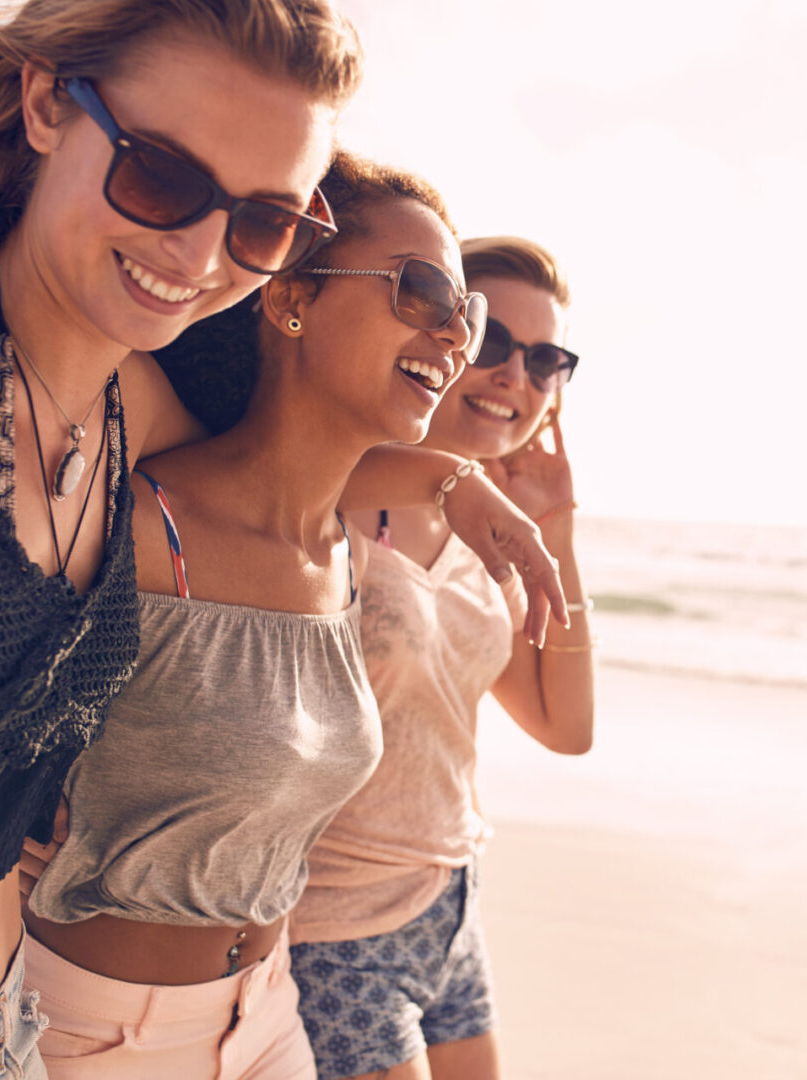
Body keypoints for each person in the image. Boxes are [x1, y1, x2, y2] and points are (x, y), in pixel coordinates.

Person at [0, 1, 359, 1075]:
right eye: (163, 178)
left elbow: (300, 450)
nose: (201, 252)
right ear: (45, 103)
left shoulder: (133, 397)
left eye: (263, 223)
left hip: (4, 1034)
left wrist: (486, 494)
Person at [18, 153, 565, 1080]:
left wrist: (459, 477)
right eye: (422, 292)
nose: (453, 336)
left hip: (271, 1013)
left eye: (462, 316)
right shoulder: (139, 519)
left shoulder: (342, 558)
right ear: (289, 298)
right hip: (92, 1034)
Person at [287, 236, 594, 1080]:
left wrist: (556, 532)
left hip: (453, 905)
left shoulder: (487, 543)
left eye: (545, 362)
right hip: (334, 928)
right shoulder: (329, 492)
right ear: (443, 337)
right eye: (493, 343)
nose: (514, 378)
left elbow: (566, 728)